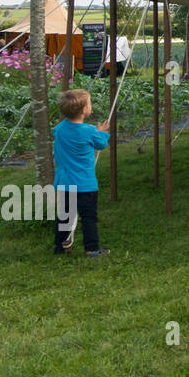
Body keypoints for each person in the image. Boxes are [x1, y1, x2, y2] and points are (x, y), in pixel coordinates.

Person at [52, 88, 111, 257]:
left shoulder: (60, 129)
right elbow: (101, 144)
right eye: (90, 103)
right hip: (85, 184)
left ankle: (60, 248)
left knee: (64, 217)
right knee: (88, 217)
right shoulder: (89, 131)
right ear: (84, 110)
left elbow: (59, 133)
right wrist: (102, 132)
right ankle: (92, 248)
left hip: (64, 182)